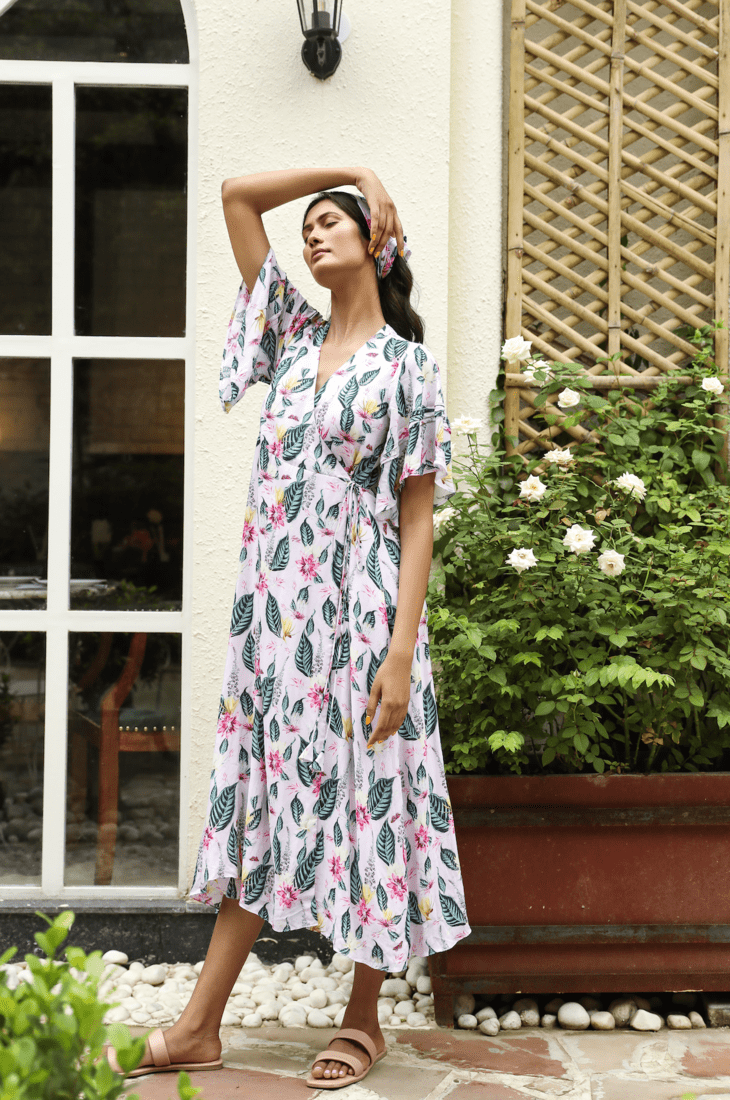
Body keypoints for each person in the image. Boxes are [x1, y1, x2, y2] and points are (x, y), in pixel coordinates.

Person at [108, 166, 471, 1089]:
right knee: (262, 803)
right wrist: (352, 169)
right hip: (274, 625)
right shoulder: (290, 333)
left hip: (363, 619)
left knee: (372, 800)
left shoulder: (408, 369)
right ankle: (200, 1026)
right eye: (306, 225)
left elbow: (418, 518)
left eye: (332, 221)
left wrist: (400, 652)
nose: (311, 233)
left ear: (376, 243)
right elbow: (237, 196)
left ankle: (363, 1019)